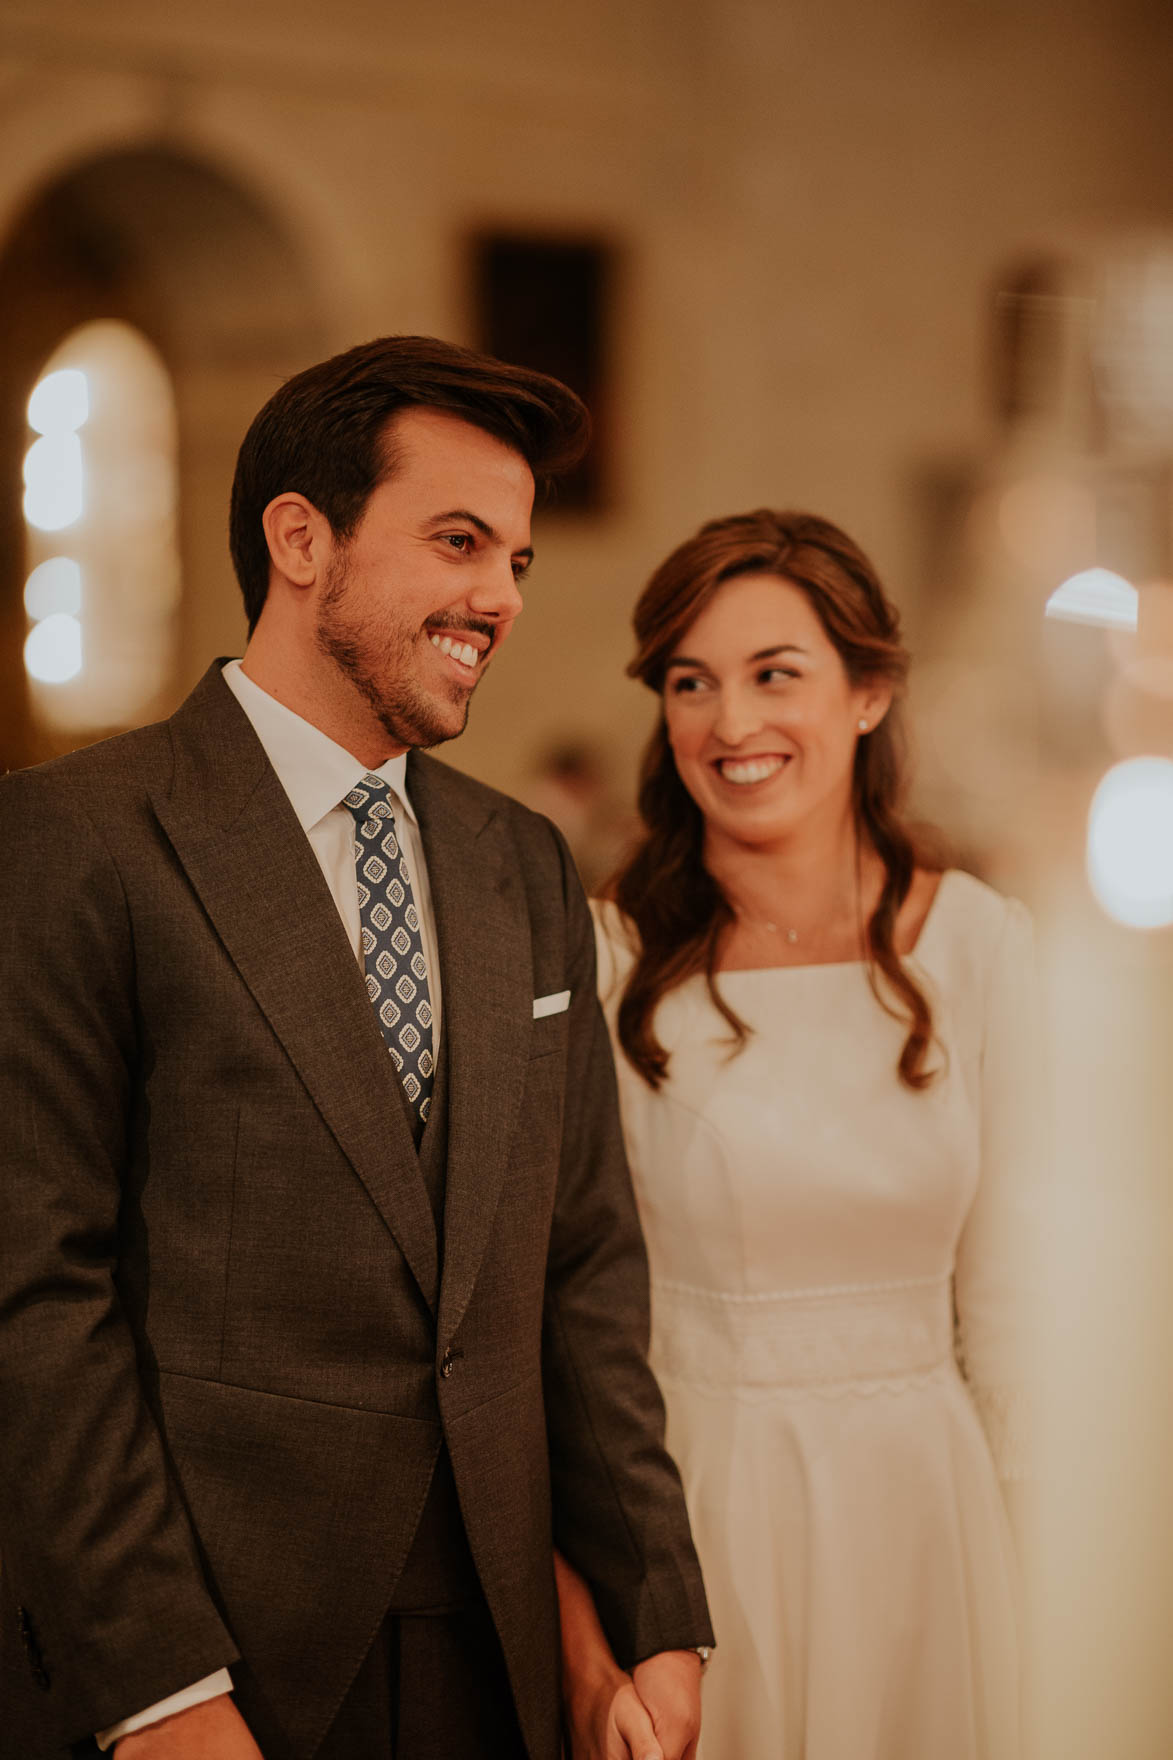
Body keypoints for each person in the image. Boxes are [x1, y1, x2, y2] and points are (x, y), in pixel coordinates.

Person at [0, 336, 713, 1760]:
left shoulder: (520, 863)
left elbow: (582, 1266)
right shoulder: (77, 840)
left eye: (514, 558)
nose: (498, 597)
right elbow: (35, 1293)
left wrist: (656, 1613)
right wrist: (157, 1686)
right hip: (209, 1657)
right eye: (458, 542)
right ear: (301, 539)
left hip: (489, 1660)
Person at [584, 509, 1037, 1758]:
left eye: (775, 673)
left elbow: (1013, 1310)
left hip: (931, 1509)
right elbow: (571, 1316)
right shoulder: (610, 958)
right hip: (705, 1506)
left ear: (870, 691)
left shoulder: (982, 946)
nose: (730, 726)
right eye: (691, 683)